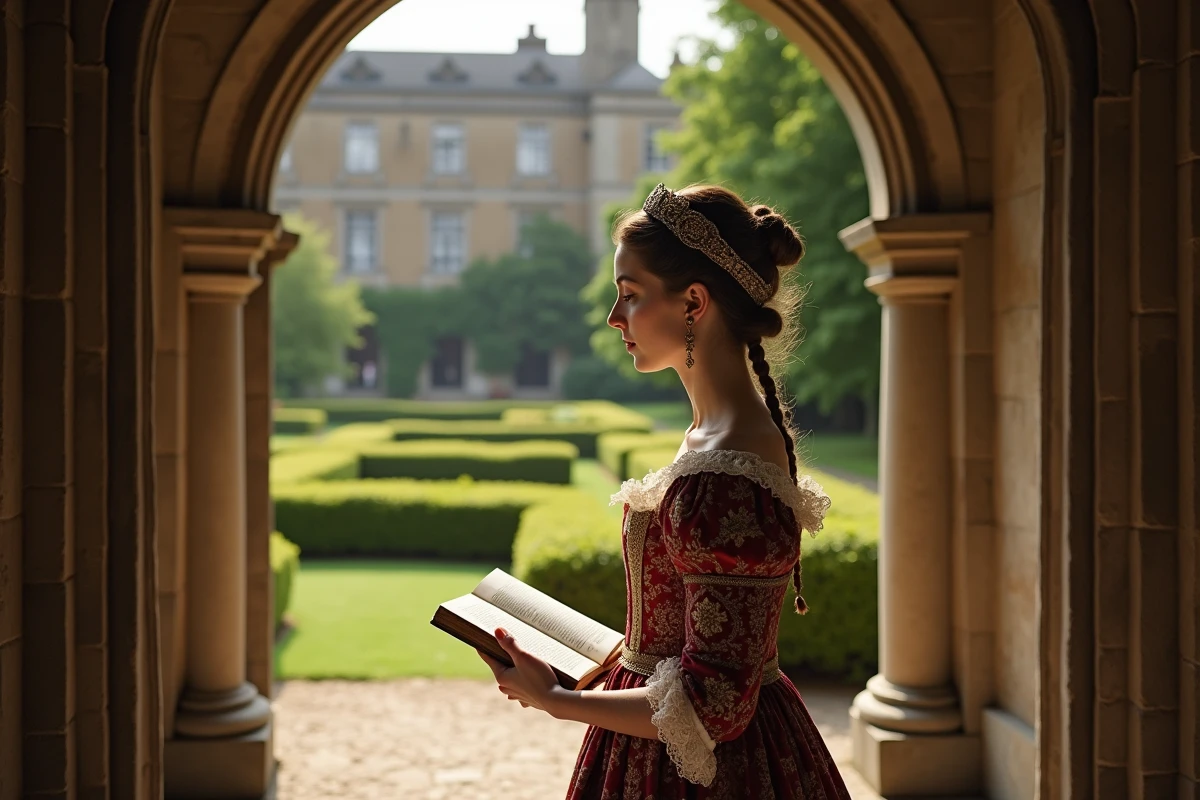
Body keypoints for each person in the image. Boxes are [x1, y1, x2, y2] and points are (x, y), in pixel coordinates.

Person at [477, 183, 850, 798]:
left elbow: (715, 707)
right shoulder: (712, 437)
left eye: (629, 295)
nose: (613, 317)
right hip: (652, 740)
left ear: (694, 303)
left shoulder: (728, 474)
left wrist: (557, 700)